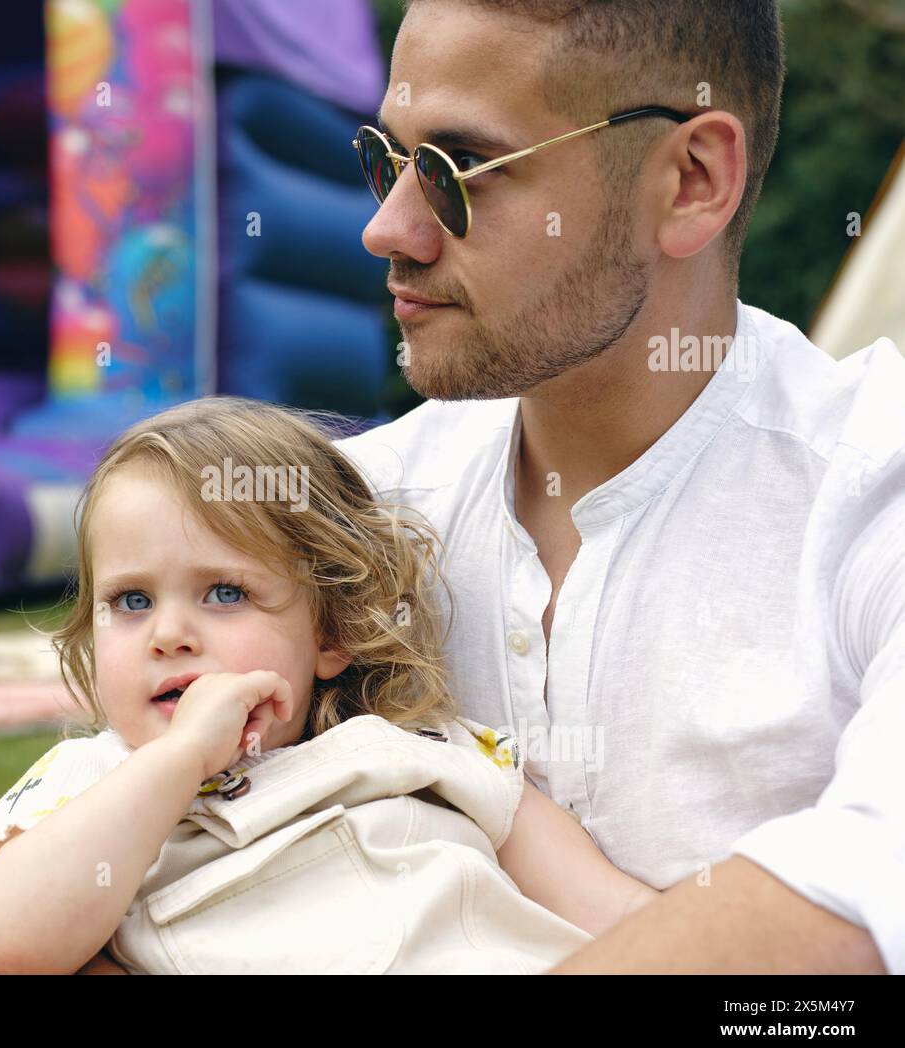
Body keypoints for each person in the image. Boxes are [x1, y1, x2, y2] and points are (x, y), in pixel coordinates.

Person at [334, 0, 901, 973]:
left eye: (454, 170)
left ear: (689, 181)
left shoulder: (867, 491)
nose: (386, 229)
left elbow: (866, 899)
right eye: (384, 159)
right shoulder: (357, 508)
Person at [0, 396, 659, 974]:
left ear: (332, 633)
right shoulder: (94, 784)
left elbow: (625, 919)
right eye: (131, 601)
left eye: (223, 593)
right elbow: (12, 949)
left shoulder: (437, 753)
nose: (168, 634)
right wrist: (180, 759)